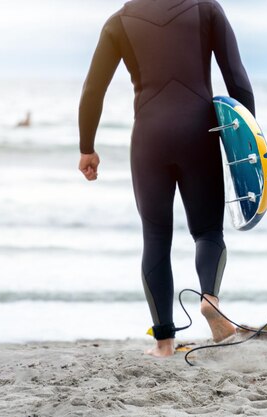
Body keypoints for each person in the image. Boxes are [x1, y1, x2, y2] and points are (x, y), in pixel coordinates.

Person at [78, 0, 255, 357]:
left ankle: (164, 342)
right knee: (207, 231)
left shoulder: (119, 21)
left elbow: (93, 90)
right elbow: (237, 78)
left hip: (149, 140)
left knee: (156, 236)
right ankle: (210, 300)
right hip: (198, 133)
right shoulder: (206, 9)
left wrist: (87, 147)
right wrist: (250, 143)